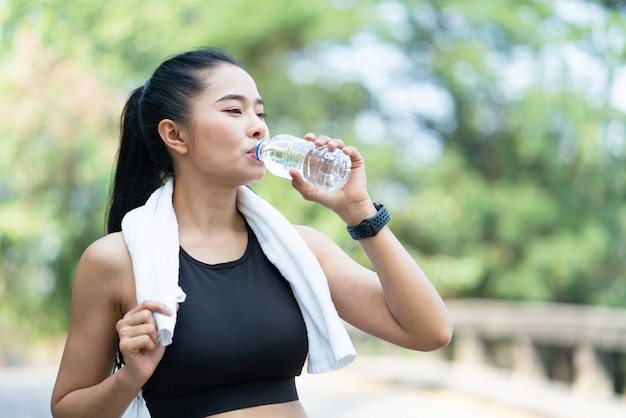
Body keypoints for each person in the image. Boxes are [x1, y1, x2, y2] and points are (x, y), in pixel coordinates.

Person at [50, 46, 452, 418]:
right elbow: (67, 409)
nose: (258, 127)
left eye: (259, 113)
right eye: (233, 111)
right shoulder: (117, 261)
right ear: (175, 135)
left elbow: (429, 331)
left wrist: (359, 211)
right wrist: (129, 378)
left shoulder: (297, 248)